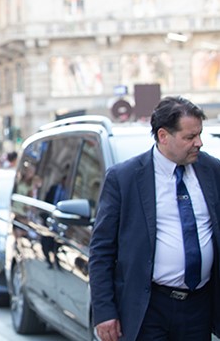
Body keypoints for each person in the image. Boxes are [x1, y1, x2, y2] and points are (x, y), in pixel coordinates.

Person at [90, 96, 220, 341]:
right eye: (190, 137)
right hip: (148, 307)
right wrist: (104, 310)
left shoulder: (212, 171)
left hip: (199, 307)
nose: (199, 143)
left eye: (200, 134)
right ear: (163, 136)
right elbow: (102, 249)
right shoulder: (125, 178)